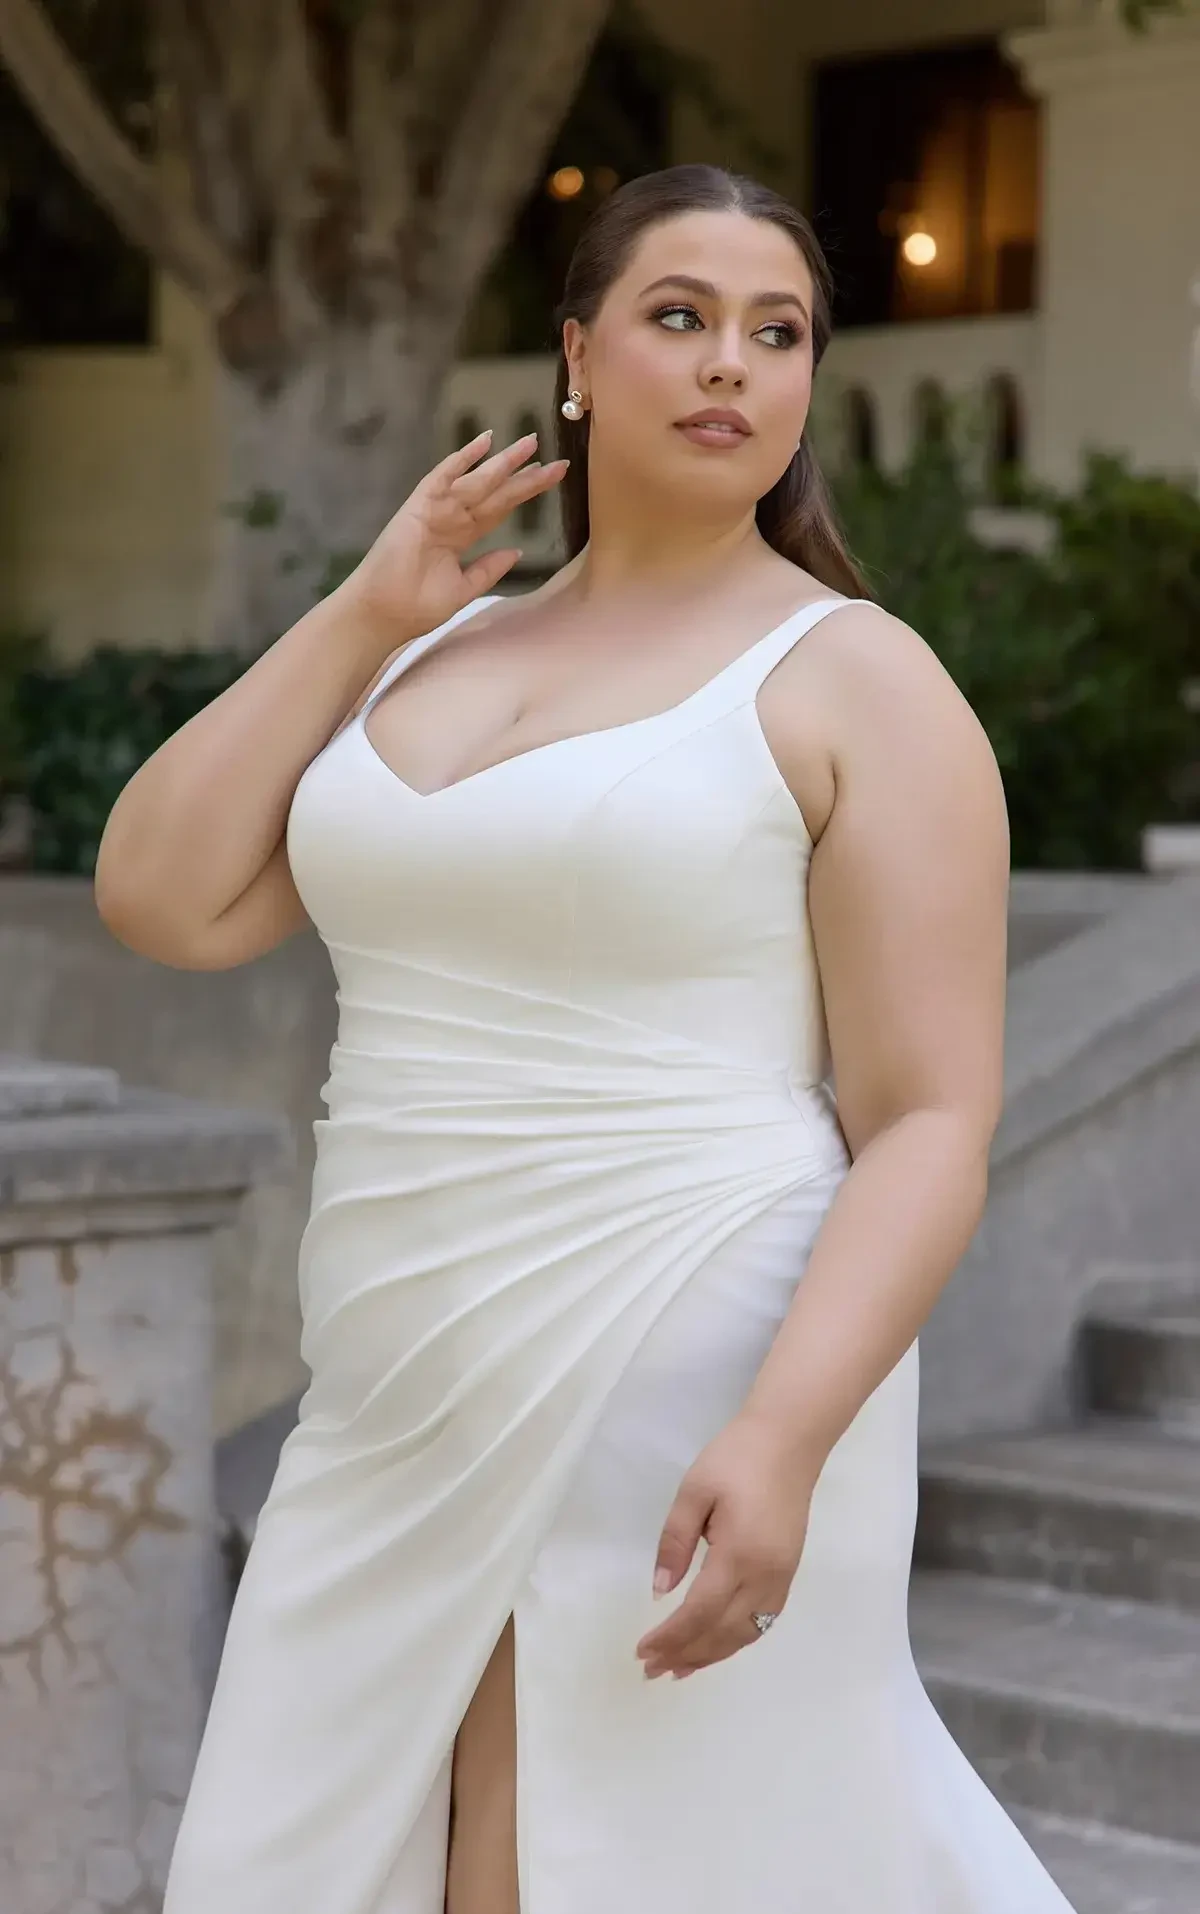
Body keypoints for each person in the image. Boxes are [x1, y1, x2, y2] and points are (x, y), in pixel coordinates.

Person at [95, 164, 1077, 1913]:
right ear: (574, 356)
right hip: (395, 1363)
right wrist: (363, 611)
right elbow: (164, 894)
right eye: (680, 317)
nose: (731, 368)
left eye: (778, 334)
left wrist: (785, 1437)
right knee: (311, 1843)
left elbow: (929, 1117)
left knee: (604, 1844)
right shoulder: (433, 649)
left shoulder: (859, 678)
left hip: (695, 1332)